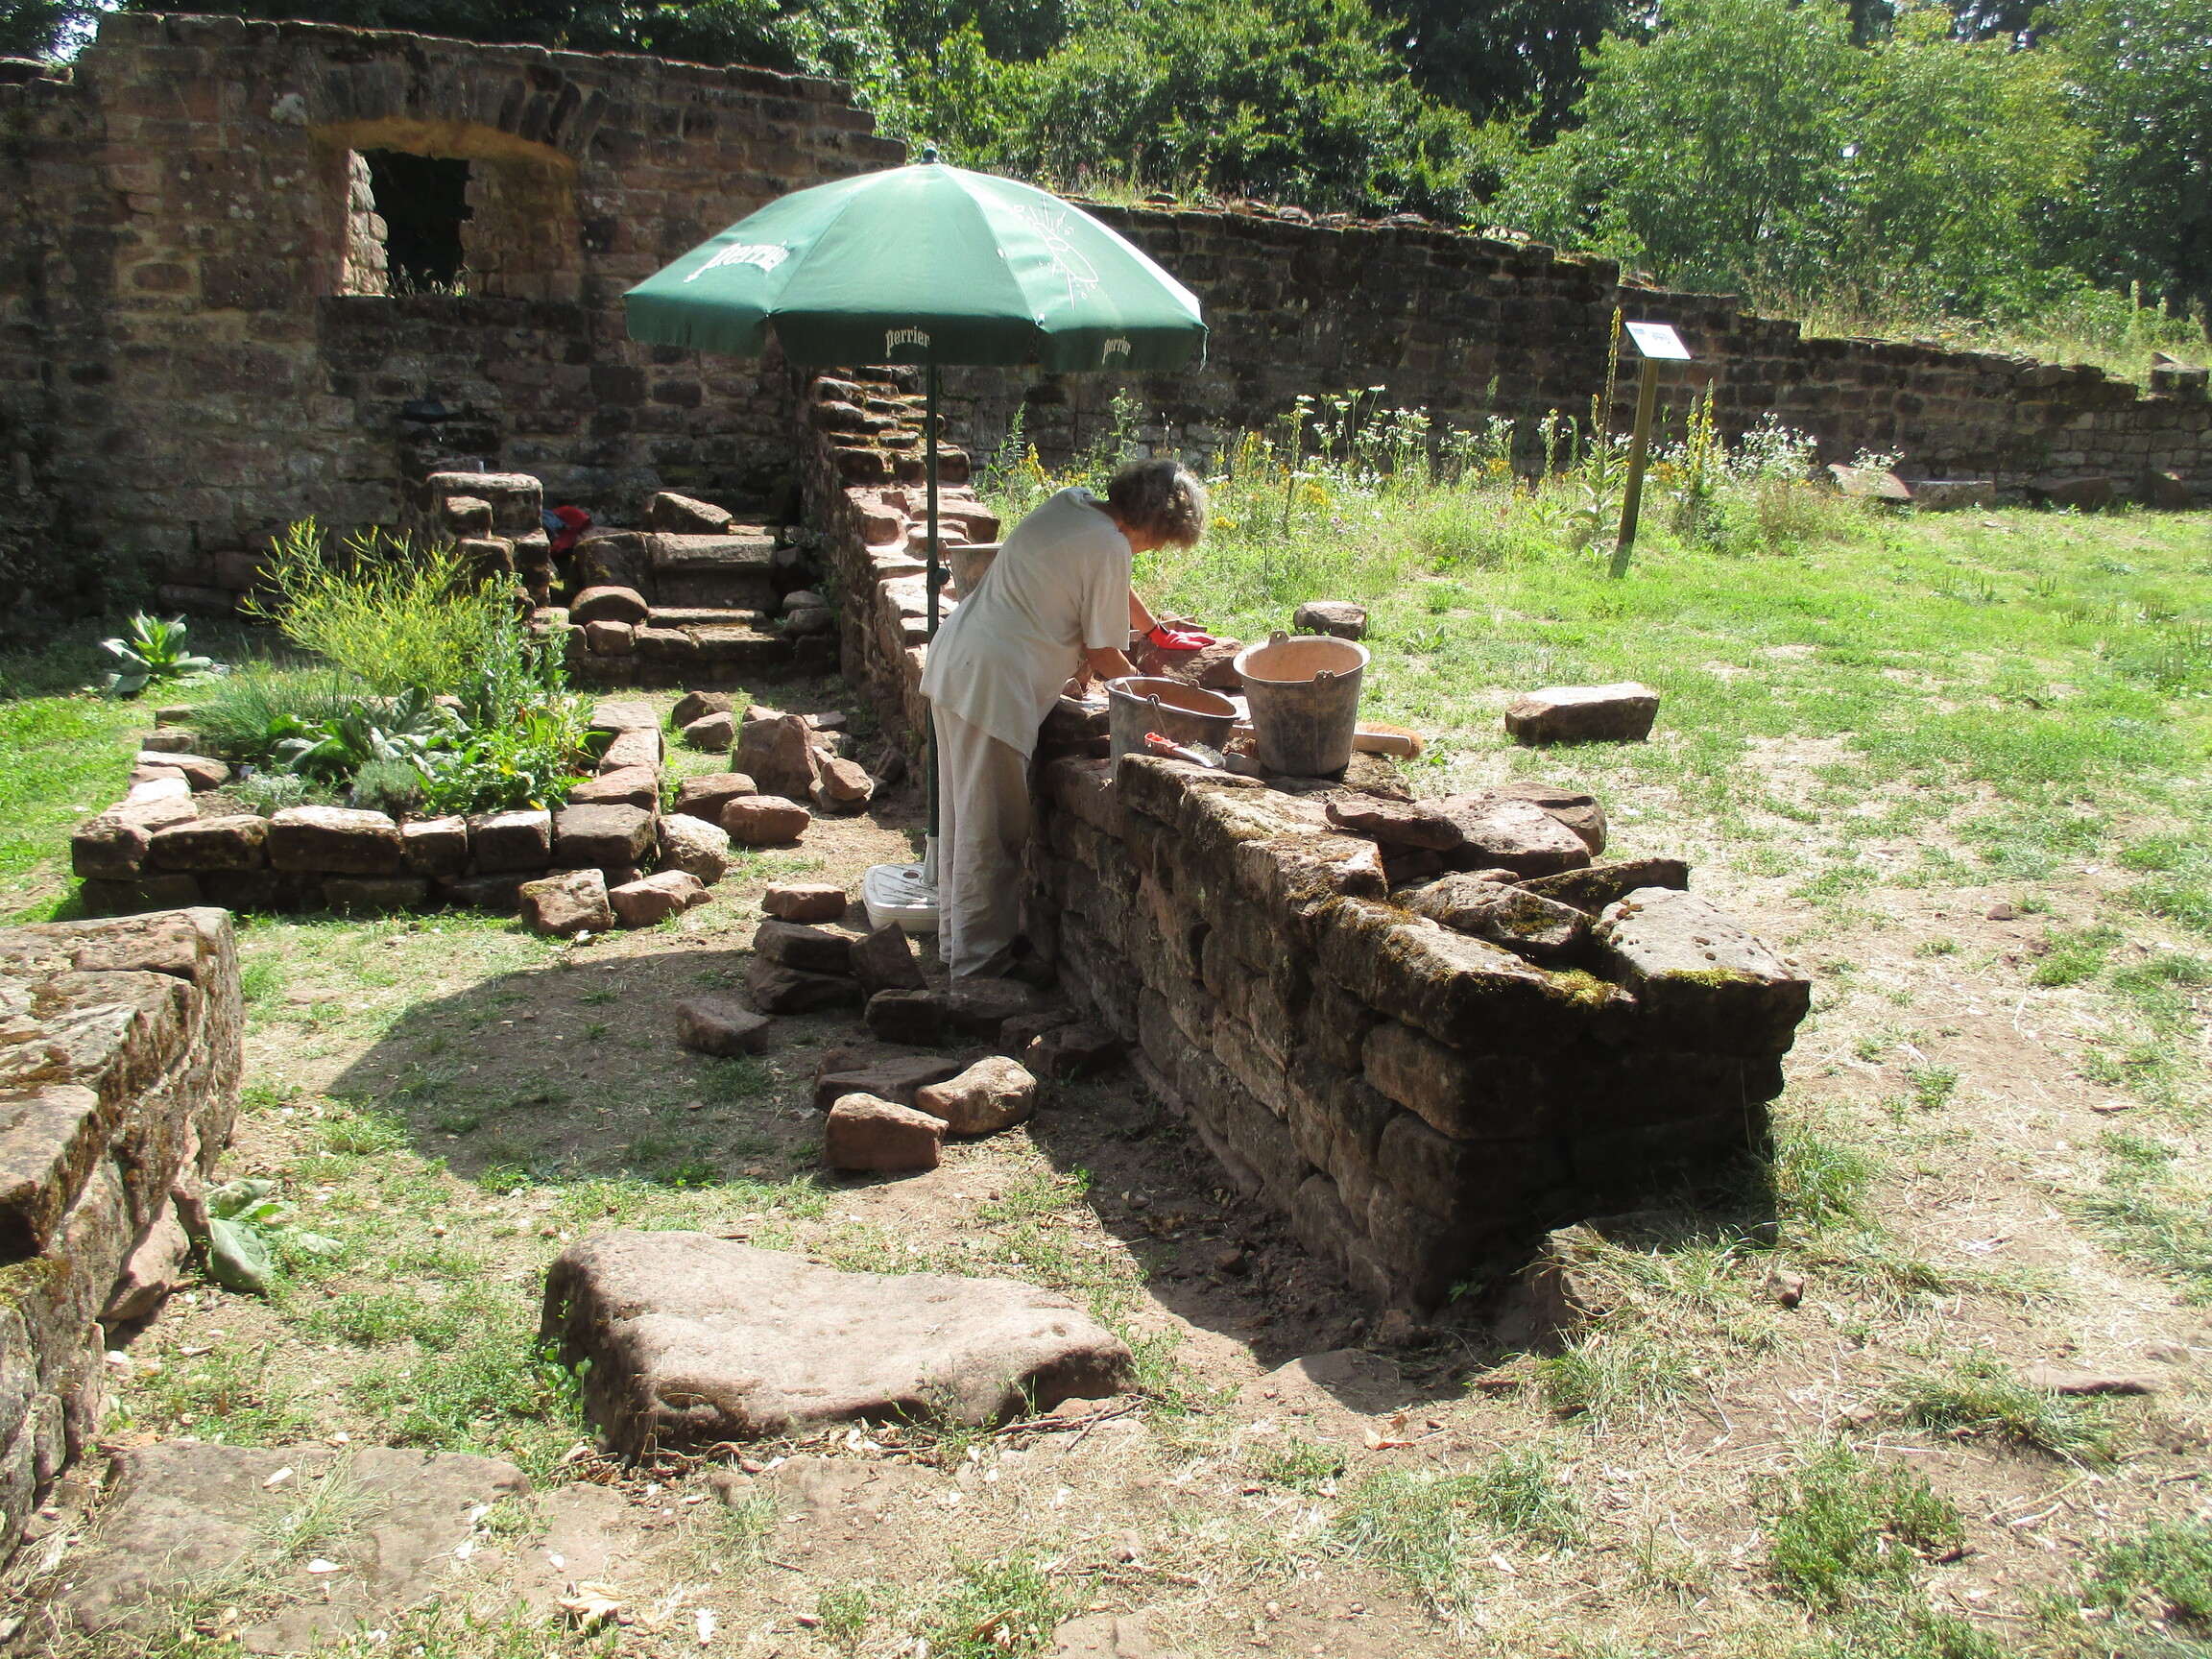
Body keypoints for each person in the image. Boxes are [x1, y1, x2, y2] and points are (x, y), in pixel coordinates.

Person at [919, 456, 1210, 977]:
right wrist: (1152, 700)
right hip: (993, 680)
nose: (1156, 549)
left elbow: (1108, 584)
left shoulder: (1073, 505)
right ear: (1153, 524)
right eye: (1163, 539)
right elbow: (1101, 652)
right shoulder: (1110, 544)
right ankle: (981, 966)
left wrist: (1155, 631)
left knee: (963, 814)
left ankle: (955, 946)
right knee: (992, 828)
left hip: (957, 658)